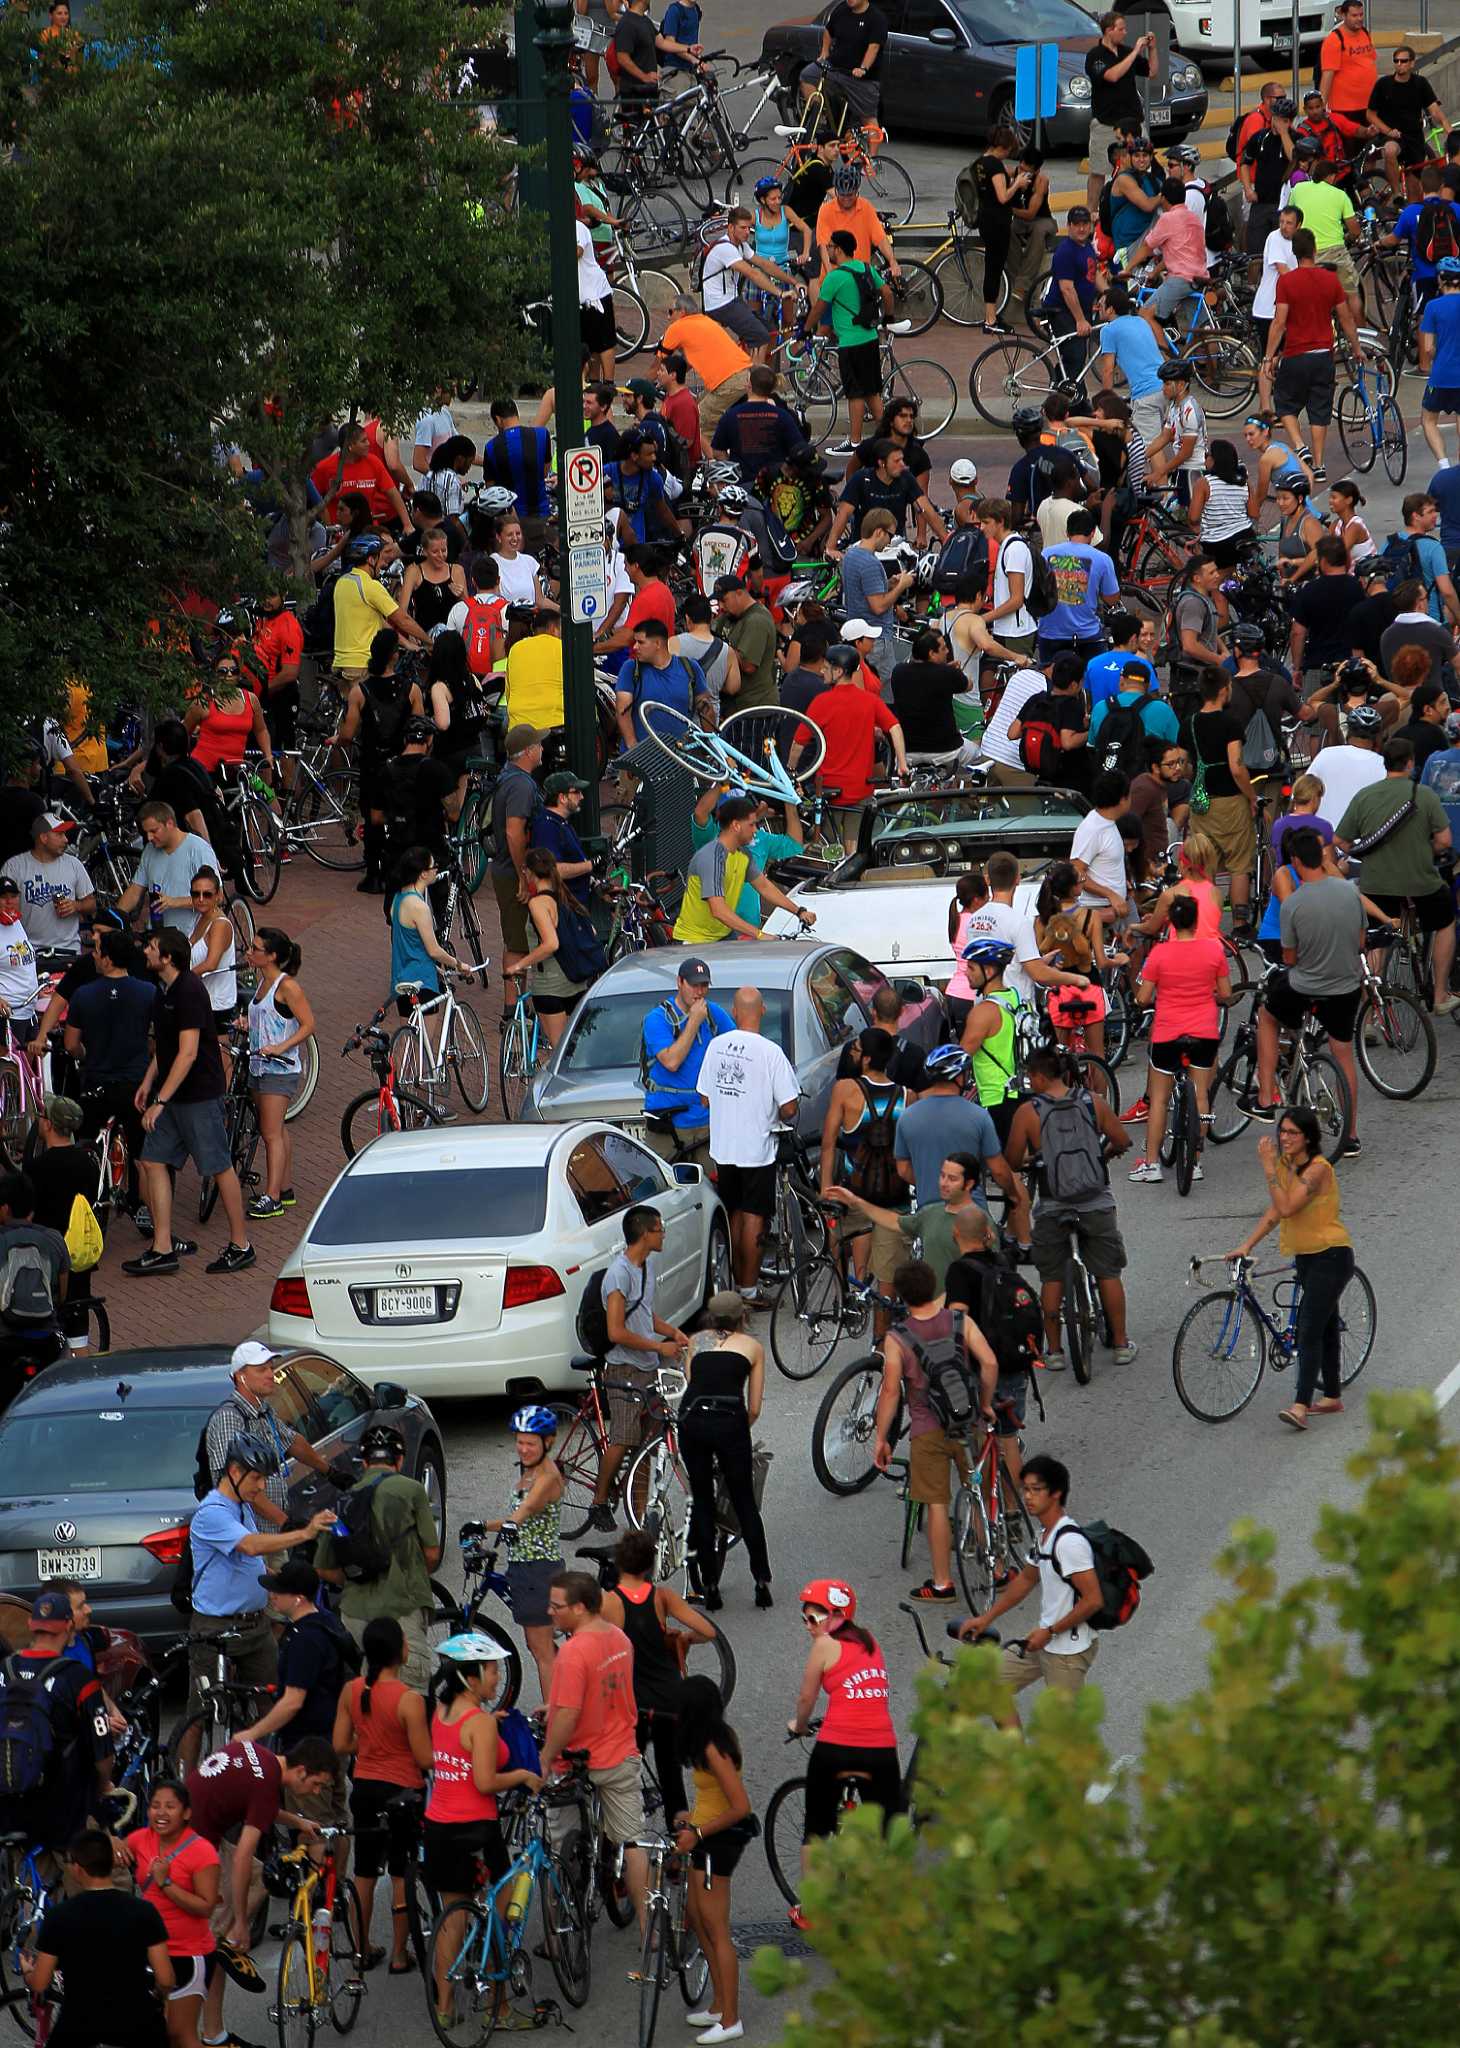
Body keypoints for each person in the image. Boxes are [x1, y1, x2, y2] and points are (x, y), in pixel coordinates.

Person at [181, 1433, 335, 1753]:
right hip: (214, 1627)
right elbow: (250, 1546)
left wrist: (285, 1580)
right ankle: (186, 1786)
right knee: (197, 1713)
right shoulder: (213, 1512)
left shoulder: (242, 1507)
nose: (261, 1486)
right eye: (256, 1477)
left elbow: (249, 1565)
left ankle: (265, 1772)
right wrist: (303, 1533)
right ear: (234, 1473)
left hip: (254, 1625)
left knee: (271, 1701)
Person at [183, 1733, 337, 2040]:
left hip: (187, 1828)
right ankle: (225, 1942)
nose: (315, 1791)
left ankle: (222, 1952)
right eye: (316, 1784)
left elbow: (255, 1805)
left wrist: (298, 1822)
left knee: (260, 1874)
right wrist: (242, 1922)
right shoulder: (267, 1786)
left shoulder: (262, 1758)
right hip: (193, 1847)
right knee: (214, 1944)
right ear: (301, 1771)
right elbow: (241, 1854)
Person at [424, 1636, 542, 2026]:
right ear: (470, 1677)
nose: (498, 1678)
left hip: (439, 1826)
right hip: (477, 1830)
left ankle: (444, 2006)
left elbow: (458, 1750)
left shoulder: (442, 1711)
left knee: (452, 1918)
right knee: (502, 1912)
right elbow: (485, 1782)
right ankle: (501, 2008)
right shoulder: (480, 1724)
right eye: (492, 1670)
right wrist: (524, 1773)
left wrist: (490, 1724)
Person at [123, 927, 253, 1278]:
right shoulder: (162, 992)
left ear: (167, 958)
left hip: (197, 1095)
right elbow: (164, 1048)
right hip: (171, 1094)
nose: (146, 952)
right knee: (152, 1161)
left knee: (218, 1166)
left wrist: (159, 1100)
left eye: (151, 948)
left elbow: (188, 1053)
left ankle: (241, 1244)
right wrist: (148, 1083)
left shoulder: (189, 991)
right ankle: (162, 1246)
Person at [871, 1258, 999, 1602]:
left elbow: (890, 1392)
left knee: (937, 1503)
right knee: (979, 1492)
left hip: (928, 1428)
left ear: (901, 1295)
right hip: (967, 1419)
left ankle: (942, 1583)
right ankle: (997, 1567)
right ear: (933, 1287)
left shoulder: (897, 1339)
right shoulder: (959, 1320)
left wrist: (882, 1438)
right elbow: (988, 1363)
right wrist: (984, 1404)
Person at [1003, 1046, 1137, 1366]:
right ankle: (1120, 1344)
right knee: (1108, 1272)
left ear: (1037, 1076)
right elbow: (1122, 1140)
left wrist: (1031, 1161)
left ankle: (1054, 1352)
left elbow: (1011, 1159)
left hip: (1053, 1204)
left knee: (1052, 1277)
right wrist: (1100, 1158)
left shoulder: (1028, 1112)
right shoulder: (1094, 1102)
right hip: (1095, 1201)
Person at [1229, 1108, 1355, 1429]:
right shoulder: (1288, 1167)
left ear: (1308, 1138)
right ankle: (1331, 1397)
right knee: (1324, 1326)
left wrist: (1269, 1167)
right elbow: (1275, 1213)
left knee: (1308, 1330)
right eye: (1282, 1131)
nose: (1284, 1137)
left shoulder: (1318, 1171)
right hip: (1306, 1258)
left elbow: (1287, 1207)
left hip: (1331, 1255)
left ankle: (1300, 1405)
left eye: (1292, 1133)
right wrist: (1247, 1244)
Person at [785, 1580, 900, 1929]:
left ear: (836, 1616)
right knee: (889, 1830)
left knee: (817, 1830)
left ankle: (813, 1911)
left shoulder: (823, 1646)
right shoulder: (870, 1641)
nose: (809, 1627)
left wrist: (800, 1726)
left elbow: (806, 1700)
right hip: (880, 1749)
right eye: (805, 1619)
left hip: (836, 1747)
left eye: (814, 1619)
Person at [956, 1454, 1104, 1723]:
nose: (1027, 1496)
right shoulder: (1045, 1536)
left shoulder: (1069, 1543)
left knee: (1065, 1737)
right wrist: (985, 1618)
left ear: (1056, 1493)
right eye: (1025, 1489)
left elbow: (1093, 1600)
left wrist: (1049, 1632)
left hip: (1066, 1653)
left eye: (1036, 1490)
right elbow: (1025, 1579)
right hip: (1044, 1641)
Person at [539, 1574, 647, 1925]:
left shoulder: (572, 1653)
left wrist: (545, 1756)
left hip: (578, 1761)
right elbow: (601, 1692)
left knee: (560, 1847)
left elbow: (569, 1717)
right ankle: (649, 1930)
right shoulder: (620, 1639)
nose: (550, 1612)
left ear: (580, 1607)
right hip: (619, 1754)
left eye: (557, 1606)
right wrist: (552, 1706)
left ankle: (559, 1935)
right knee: (632, 1843)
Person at [1250, 826, 1363, 1150]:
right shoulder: (1349, 893)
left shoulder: (1294, 904)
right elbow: (1359, 942)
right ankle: (1351, 1135)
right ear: (1323, 858)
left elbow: (1290, 956)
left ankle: (1266, 1095)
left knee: (1267, 1016)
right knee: (1343, 1054)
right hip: (1345, 985)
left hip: (1306, 984)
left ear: (1296, 861)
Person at [331, 1618, 432, 1977]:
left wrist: (370, 1745)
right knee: (402, 1871)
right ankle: (400, 1954)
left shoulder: (352, 1691)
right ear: (398, 1652)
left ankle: (361, 1949)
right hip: (402, 1792)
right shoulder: (409, 1700)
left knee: (364, 1872)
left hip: (365, 1789)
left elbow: (341, 1744)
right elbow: (423, 1759)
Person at [599, 1527, 717, 1823]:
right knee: (672, 1781)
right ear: (650, 1565)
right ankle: (679, 1849)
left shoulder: (608, 1602)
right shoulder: (662, 1597)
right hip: (669, 1700)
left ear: (620, 1563)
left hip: (631, 1705)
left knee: (623, 1778)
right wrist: (685, 1639)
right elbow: (708, 1631)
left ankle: (621, 1848)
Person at [315, 1422, 443, 1692]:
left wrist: (355, 1575)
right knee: (408, 1702)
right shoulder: (412, 1490)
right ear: (400, 1459)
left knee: (367, 1703)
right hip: (400, 1614)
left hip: (354, 1617)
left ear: (363, 1462)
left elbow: (324, 1568)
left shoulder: (346, 1498)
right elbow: (432, 1553)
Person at [1335, 734, 1456, 1014]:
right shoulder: (1424, 795)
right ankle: (1439, 995)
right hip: (1420, 883)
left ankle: (1371, 1012)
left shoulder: (1365, 795)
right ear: (1411, 763)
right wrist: (1427, 848)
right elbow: (1445, 841)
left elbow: (1341, 841)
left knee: (1378, 939)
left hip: (1376, 884)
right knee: (1445, 922)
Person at [588, 1206, 691, 1529]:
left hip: (646, 1367)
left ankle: (639, 1514)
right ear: (645, 1233)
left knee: (649, 1442)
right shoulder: (618, 1274)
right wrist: (660, 1346)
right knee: (624, 1438)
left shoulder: (645, 1266)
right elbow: (616, 1332)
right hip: (623, 1370)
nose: (664, 1234)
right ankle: (599, 1502)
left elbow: (644, 1316)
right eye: (660, 1229)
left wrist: (672, 1331)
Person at [699, 987, 802, 1299]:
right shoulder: (770, 1052)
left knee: (732, 1212)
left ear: (734, 1011)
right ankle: (749, 1290)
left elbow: (703, 1098)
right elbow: (790, 1107)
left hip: (723, 1148)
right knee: (755, 1216)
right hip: (757, 1149)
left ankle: (730, 1287)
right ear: (763, 1011)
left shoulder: (716, 1046)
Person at [27, 1831, 173, 2048]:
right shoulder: (144, 1911)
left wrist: (28, 1971)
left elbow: (40, 1983)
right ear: (111, 1863)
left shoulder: (60, 1916)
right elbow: (166, 1978)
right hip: (138, 2022)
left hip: (79, 2023)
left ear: (77, 1868)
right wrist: (158, 1996)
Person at [1127, 893, 1233, 1185]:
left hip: (1167, 1032)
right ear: (1196, 921)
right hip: (1203, 1032)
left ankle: (1151, 1165)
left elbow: (1143, 997)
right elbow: (1225, 993)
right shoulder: (1213, 950)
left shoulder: (1159, 954)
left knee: (1159, 1099)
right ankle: (1196, 1161)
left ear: (1170, 922)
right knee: (1200, 1096)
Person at [671, 1678, 754, 2046]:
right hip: (702, 1835)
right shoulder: (713, 1738)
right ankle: (719, 2005)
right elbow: (713, 1797)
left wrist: (699, 1834)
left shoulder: (713, 1749)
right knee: (697, 1917)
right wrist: (691, 1818)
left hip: (715, 1843)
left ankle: (732, 2018)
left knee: (717, 1929)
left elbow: (740, 1806)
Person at [678, 1291, 772, 1611]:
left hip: (694, 1421)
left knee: (702, 1500)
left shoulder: (696, 1342)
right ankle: (761, 1581)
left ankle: (711, 1586)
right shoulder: (752, 1347)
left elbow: (693, 1382)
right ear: (741, 1316)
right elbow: (755, 1407)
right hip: (730, 1421)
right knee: (744, 1500)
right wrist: (734, 1430)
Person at [0, 1591, 112, 1855]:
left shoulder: (5, 1669)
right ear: (68, 1625)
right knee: (111, 1880)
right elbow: (103, 1752)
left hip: (10, 1806)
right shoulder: (77, 1677)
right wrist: (103, 1786)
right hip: (65, 1812)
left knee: (26, 1880)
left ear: (30, 1625)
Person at [124, 1780, 220, 2048]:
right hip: (150, 1951)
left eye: (170, 1806)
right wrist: (111, 1843)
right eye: (155, 1806)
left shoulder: (202, 1852)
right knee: (152, 2032)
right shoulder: (141, 1839)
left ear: (187, 1813)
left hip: (188, 1954)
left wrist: (166, 1883)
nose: (161, 1813)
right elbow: (115, 1852)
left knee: (181, 2035)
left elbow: (206, 1907)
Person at [480, 1406, 564, 1701]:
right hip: (525, 1567)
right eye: (519, 1441)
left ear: (548, 1442)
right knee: (543, 1648)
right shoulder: (531, 1469)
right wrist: (483, 1526)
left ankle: (553, 1722)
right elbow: (517, 1515)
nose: (523, 1449)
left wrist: (506, 1526)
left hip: (537, 1570)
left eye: (530, 1443)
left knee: (542, 1652)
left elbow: (525, 1511)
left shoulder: (547, 1477)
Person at [1264, 228, 1360, 482]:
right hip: (1323, 355)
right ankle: (1318, 463)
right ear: (1315, 250)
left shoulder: (1286, 282)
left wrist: (1268, 356)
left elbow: (1279, 322)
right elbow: (1346, 318)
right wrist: (1357, 348)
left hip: (1296, 354)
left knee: (1284, 403)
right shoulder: (1331, 280)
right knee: (1320, 409)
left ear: (1294, 253)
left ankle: (1299, 444)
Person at [892, 1042, 1023, 1223]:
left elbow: (903, 1169)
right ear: (959, 1077)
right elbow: (998, 1170)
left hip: (930, 1218)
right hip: (972, 1216)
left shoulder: (907, 1117)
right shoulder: (978, 1116)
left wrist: (931, 1183)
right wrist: (1013, 1194)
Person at [673, 794, 815, 943]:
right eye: (752, 825)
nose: (756, 830)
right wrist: (760, 935)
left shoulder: (742, 854)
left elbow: (764, 886)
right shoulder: (711, 857)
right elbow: (719, 910)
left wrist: (799, 911)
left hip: (723, 937)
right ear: (736, 826)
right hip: (695, 941)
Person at [241, 927, 312, 1222]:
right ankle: (285, 1188)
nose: (249, 952)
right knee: (277, 1128)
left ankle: (272, 1198)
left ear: (271, 956)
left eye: (255, 949)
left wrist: (281, 1046)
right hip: (259, 1066)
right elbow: (266, 1018)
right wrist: (247, 1023)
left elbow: (308, 1024)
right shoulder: (261, 983)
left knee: (270, 1134)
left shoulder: (287, 987)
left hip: (278, 1069)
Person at [802, 226, 890, 452]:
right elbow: (887, 293)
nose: (828, 250)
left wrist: (805, 329)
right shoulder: (867, 269)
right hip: (870, 337)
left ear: (839, 250)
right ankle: (889, 438)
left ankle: (854, 442)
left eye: (830, 246)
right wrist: (888, 317)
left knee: (855, 393)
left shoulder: (835, 277)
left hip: (850, 344)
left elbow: (819, 309)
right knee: (872, 391)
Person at [640, 959, 731, 1171]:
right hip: (669, 1122)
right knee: (667, 1188)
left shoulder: (712, 1013)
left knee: (714, 1187)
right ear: (679, 982)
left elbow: (737, 1044)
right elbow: (671, 1062)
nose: (699, 992)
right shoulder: (658, 1018)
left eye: (704, 986)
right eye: (694, 985)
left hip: (706, 1120)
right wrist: (693, 1022)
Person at [1189, 670, 1260, 933]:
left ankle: (1206, 921)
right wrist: (1251, 797)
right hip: (1230, 800)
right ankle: (1240, 925)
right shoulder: (1230, 723)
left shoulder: (1191, 722)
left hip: (1202, 802)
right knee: (1239, 863)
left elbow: (1186, 764)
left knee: (1206, 862)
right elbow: (1237, 766)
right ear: (1223, 690)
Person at [515, 849, 589, 1048]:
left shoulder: (538, 903)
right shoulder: (566, 897)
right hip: (576, 983)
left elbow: (551, 944)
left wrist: (520, 964)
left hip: (550, 987)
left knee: (559, 1053)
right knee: (575, 1051)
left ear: (530, 872)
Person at [1084, 12, 1157, 212]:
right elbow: (1112, 75)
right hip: (1107, 122)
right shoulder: (1095, 56)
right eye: (1121, 29)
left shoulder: (1126, 51)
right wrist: (1135, 51)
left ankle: (1141, 203)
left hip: (1133, 121)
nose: (1125, 33)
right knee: (1099, 170)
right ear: (1108, 31)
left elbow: (1151, 71)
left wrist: (1152, 50)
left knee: (1143, 164)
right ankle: (1091, 211)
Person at [488, 725, 544, 983]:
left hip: (507, 869)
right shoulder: (521, 785)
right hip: (513, 873)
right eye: (539, 745)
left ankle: (515, 1009)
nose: (542, 748)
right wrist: (523, 874)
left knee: (517, 940)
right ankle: (513, 1013)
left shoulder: (510, 777)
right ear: (529, 752)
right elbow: (514, 832)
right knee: (517, 943)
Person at [2, 814, 93, 968]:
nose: (66, 840)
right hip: (28, 952)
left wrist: (76, 906)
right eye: (59, 834)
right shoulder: (14, 866)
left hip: (68, 952)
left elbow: (91, 904)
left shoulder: (74, 864)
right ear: (43, 838)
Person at [118, 802, 214, 935]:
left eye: (153, 831)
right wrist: (115, 917)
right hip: (159, 938)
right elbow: (135, 890)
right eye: (146, 833)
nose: (149, 838)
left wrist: (175, 902)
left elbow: (216, 897)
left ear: (169, 823)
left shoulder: (198, 849)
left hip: (192, 938)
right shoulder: (150, 850)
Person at [1367, 41, 1446, 200]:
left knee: (1414, 189)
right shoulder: (1383, 84)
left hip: (1414, 138)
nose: (1399, 64)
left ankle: (1411, 215)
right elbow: (1370, 114)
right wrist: (1388, 130)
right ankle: (1396, 193)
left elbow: (1434, 110)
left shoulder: (1420, 83)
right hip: (1392, 136)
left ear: (1412, 63)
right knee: (1390, 150)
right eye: (1396, 61)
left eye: (1403, 61)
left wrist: (1448, 128)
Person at [799, 0, 887, 124]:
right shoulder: (841, 10)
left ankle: (872, 142)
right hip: (835, 69)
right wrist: (824, 53)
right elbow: (828, 31)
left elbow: (874, 47)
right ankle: (817, 118)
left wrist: (863, 68)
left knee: (868, 118)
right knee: (807, 75)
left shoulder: (877, 18)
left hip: (861, 78)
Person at [1308, 701, 1387, 822]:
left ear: (1348, 731)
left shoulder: (1326, 755)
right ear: (1378, 737)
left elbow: (1302, 793)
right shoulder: (1383, 764)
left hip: (1322, 834)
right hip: (1363, 838)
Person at [1318, 0, 1377, 145]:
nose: (1359, 18)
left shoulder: (1364, 33)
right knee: (1349, 151)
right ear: (1343, 15)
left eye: (1361, 15)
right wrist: (1321, 106)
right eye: (1354, 15)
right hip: (1345, 108)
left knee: (1371, 150)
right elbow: (1327, 75)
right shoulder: (1334, 40)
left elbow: (1370, 62)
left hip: (1368, 105)